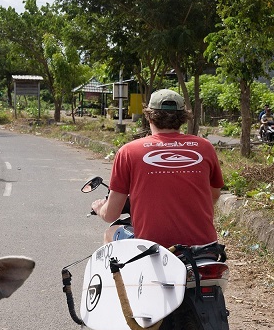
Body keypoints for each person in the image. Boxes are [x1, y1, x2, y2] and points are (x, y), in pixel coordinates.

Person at [91, 88, 224, 248]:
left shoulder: (129, 151)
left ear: (149, 116)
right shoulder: (205, 147)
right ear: (183, 117)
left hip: (151, 247)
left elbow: (111, 214)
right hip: (204, 247)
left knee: (111, 232)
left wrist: (100, 208)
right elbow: (214, 194)